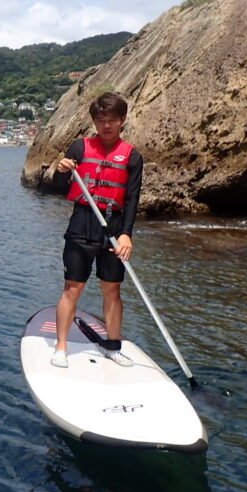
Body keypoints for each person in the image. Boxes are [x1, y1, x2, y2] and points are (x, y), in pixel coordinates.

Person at [49, 92, 143, 369]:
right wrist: (62, 169)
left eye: (112, 120)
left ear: (122, 120)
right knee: (73, 287)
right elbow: (58, 185)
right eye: (101, 121)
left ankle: (113, 347)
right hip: (82, 221)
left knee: (112, 289)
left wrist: (126, 234)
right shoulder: (79, 148)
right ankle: (61, 347)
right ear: (94, 121)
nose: (106, 126)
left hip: (114, 226)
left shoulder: (133, 156)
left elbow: (132, 198)